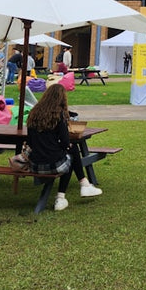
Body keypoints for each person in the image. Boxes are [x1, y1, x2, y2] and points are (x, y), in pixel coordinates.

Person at [26, 82, 102, 211]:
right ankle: (65, 195)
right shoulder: (58, 115)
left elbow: (30, 141)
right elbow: (66, 141)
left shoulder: (33, 114)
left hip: (35, 165)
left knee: (69, 152)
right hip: (52, 165)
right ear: (62, 98)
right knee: (71, 152)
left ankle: (83, 185)